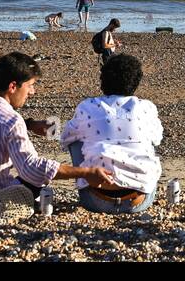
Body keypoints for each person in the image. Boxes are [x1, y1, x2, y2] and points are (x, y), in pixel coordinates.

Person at [0, 52, 113, 217]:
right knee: (37, 180)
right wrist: (85, 172)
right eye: (30, 85)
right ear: (12, 87)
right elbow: (32, 168)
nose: (32, 92)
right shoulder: (11, 121)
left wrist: (30, 124)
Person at [60, 53, 164, 214]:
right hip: (139, 200)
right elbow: (157, 139)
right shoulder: (146, 107)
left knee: (75, 138)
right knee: (147, 138)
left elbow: (65, 138)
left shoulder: (87, 106)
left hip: (94, 199)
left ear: (103, 80)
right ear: (136, 82)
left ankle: (88, 178)